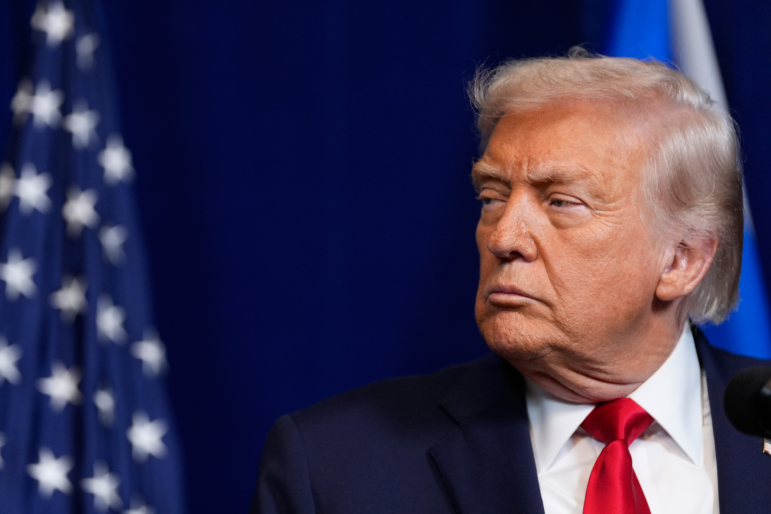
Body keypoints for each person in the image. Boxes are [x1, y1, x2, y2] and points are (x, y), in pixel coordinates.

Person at [250, 49, 771, 514]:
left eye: (561, 202)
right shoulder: (332, 467)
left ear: (681, 261)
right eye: (492, 197)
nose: (503, 236)